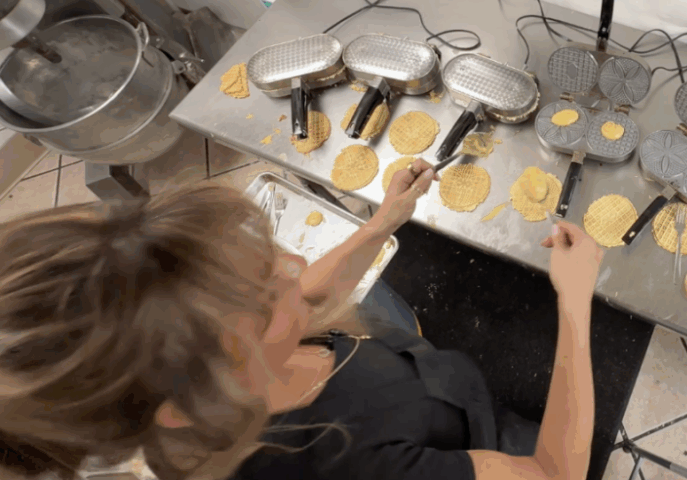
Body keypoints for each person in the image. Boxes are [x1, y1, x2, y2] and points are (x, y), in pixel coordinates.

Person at [0, 158, 604, 480]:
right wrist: (574, 306)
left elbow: (307, 300)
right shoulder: (344, 462)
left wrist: (382, 222)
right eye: (265, 298)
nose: (296, 264)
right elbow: (553, 473)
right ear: (186, 402)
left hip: (431, 390)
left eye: (264, 263)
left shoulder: (212, 374)